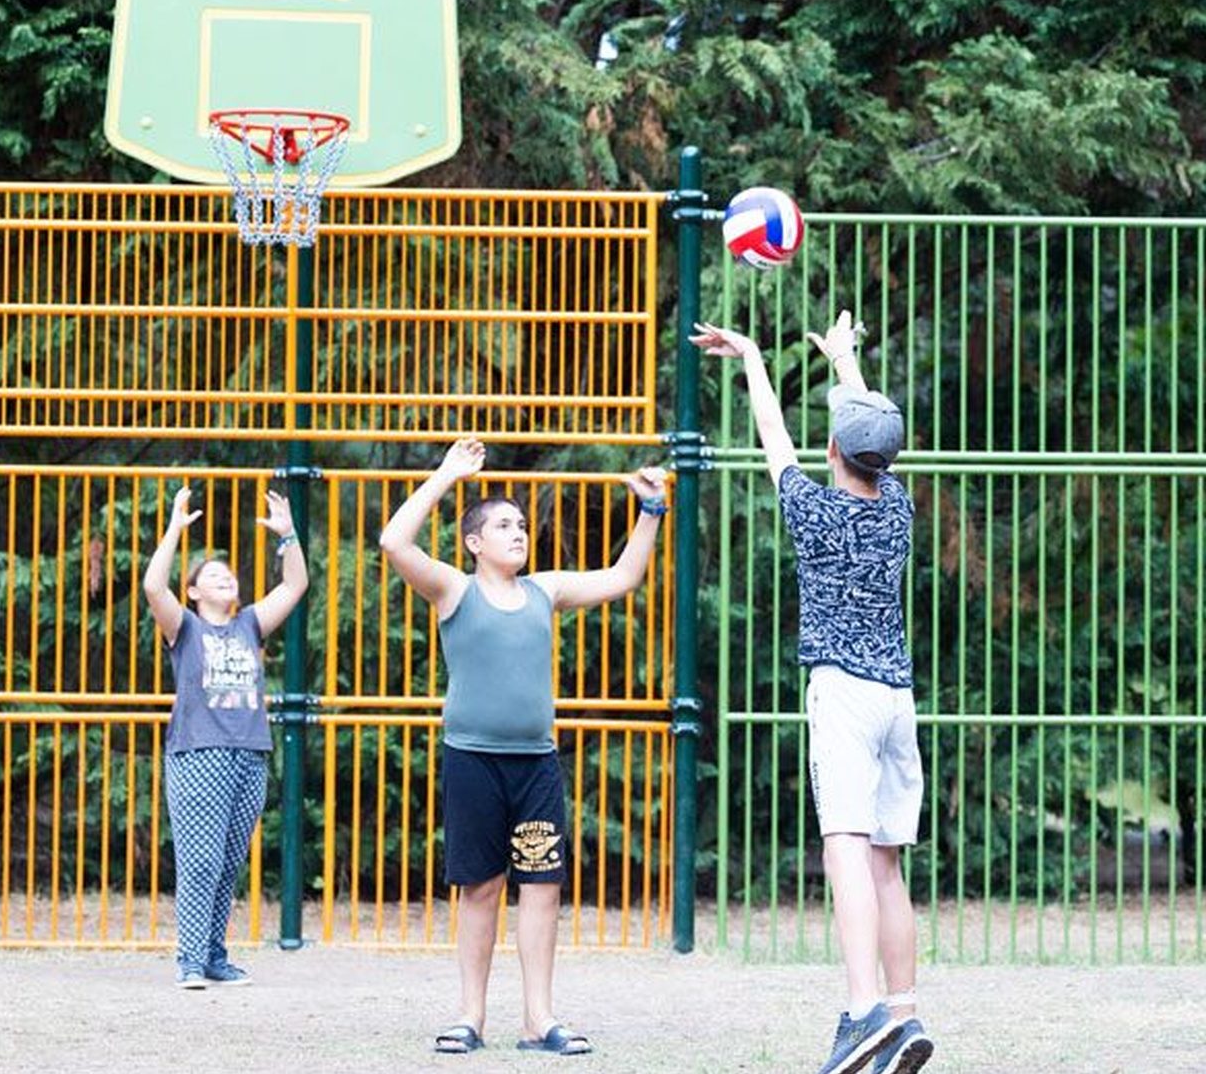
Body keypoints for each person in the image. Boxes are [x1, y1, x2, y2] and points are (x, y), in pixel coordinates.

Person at [690, 311, 934, 1074]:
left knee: (846, 851)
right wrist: (847, 365)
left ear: (833, 451)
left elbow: (773, 438)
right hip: (900, 700)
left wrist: (756, 360)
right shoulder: (897, 507)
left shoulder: (813, 509)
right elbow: (868, 437)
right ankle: (902, 1012)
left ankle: (862, 1012)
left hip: (845, 696)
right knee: (888, 864)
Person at [378, 438, 669, 1057]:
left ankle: (540, 1020)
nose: (518, 532)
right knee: (480, 887)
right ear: (474, 543)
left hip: (536, 764)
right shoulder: (454, 590)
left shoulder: (546, 590)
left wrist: (651, 512)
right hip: (472, 759)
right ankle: (470, 1018)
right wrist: (448, 475)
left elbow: (623, 577)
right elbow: (394, 543)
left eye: (520, 524)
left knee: (542, 887)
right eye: (503, 525)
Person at [142, 485, 308, 989]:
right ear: (193, 592)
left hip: (250, 754)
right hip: (199, 754)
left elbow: (295, 586)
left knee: (229, 861)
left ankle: (214, 954)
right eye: (212, 576)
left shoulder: (249, 625)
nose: (225, 578)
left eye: (228, 574)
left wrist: (288, 536)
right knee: (201, 859)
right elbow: (153, 587)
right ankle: (189, 960)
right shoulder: (185, 628)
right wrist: (174, 527)